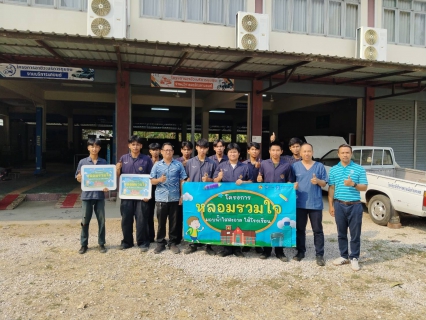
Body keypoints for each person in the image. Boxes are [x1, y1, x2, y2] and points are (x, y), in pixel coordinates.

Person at [328, 144, 368, 271]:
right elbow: (331, 188)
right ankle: (343, 256)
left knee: (355, 233)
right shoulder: (334, 170)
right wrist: (331, 205)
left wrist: (353, 184)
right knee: (341, 232)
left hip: (355, 205)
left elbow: (364, 187)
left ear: (351, 154)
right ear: (338, 154)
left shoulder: (359, 169)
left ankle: (354, 257)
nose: (345, 155)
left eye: (347, 152)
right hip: (339, 204)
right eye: (342, 152)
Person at [257, 142, 295, 262]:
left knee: (280, 224)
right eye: (273, 150)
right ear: (269, 151)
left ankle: (280, 251)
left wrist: (289, 186)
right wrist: (259, 180)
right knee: (267, 223)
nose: (275, 152)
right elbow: (260, 180)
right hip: (267, 200)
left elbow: (290, 181)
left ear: (282, 152)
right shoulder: (264, 164)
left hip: (281, 201)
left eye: (278, 150)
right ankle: (267, 250)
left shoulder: (287, 165)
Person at [292, 143, 328, 266]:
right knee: (300, 229)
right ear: (300, 153)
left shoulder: (319, 166)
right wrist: (293, 186)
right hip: (299, 203)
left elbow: (324, 184)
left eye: (309, 151)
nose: (307, 153)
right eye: (304, 151)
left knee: (317, 230)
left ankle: (319, 254)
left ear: (312, 152)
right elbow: (290, 183)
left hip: (315, 203)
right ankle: (301, 252)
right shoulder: (295, 166)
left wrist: (317, 181)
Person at [214, 143, 251, 257]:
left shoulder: (244, 167)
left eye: (235, 152)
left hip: (240, 200)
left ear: (239, 154)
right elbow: (215, 181)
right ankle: (226, 248)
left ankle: (237, 248)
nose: (232, 154)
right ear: (227, 153)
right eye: (230, 152)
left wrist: (243, 182)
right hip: (225, 200)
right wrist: (219, 177)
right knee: (226, 222)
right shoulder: (221, 166)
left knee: (239, 222)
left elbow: (251, 182)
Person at [116, 135, 153, 252]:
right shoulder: (123, 158)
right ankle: (127, 242)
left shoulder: (146, 159)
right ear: (129, 145)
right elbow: (118, 175)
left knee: (142, 219)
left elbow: (151, 178)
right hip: (127, 195)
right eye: (133, 144)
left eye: (137, 144)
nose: (135, 146)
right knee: (126, 219)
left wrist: (148, 195)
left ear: (141, 146)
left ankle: (142, 242)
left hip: (142, 196)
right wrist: (117, 168)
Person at [150, 143, 187, 254]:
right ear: (162, 152)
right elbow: (151, 180)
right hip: (161, 198)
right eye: (166, 150)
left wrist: (182, 195)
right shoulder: (157, 165)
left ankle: (172, 243)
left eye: (170, 150)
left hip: (175, 198)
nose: (168, 152)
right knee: (161, 222)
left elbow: (182, 180)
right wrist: (159, 180)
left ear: (173, 152)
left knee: (174, 222)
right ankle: (160, 243)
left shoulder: (178, 165)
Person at [183, 138, 217, 255]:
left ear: (207, 149)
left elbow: (216, 183)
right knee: (193, 218)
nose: (202, 150)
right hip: (193, 197)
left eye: (204, 148)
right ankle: (193, 244)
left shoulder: (212, 163)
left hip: (208, 197)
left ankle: (208, 245)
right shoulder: (190, 162)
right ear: (196, 148)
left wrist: (209, 180)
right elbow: (186, 179)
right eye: (200, 147)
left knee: (207, 219)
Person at [75, 139, 108, 254]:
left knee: (102, 220)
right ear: (88, 148)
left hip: (99, 195)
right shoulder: (83, 162)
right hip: (87, 195)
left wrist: (107, 186)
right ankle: (84, 244)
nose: (94, 149)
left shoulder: (103, 162)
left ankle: (101, 243)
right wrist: (79, 178)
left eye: (97, 146)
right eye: (92, 146)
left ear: (99, 148)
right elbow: (78, 177)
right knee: (85, 221)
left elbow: (107, 178)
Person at [242, 142, 263, 254]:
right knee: (247, 219)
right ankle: (248, 243)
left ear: (259, 151)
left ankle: (258, 244)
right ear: (248, 151)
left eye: (256, 149)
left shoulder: (264, 164)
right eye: (252, 149)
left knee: (258, 220)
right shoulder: (243, 164)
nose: (254, 151)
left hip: (261, 196)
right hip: (247, 196)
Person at [175, 141, 194, 244]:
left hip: (192, 193)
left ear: (191, 150)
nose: (186, 152)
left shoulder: (195, 161)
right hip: (178, 191)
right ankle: (177, 238)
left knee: (192, 214)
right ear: (181, 150)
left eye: (188, 149)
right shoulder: (176, 161)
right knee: (178, 216)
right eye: (184, 149)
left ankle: (192, 237)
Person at [147, 142, 161, 243]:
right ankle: (150, 236)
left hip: (161, 189)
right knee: (149, 213)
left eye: (157, 150)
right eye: (153, 150)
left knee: (161, 214)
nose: (155, 152)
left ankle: (161, 236)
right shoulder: (146, 161)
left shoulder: (163, 162)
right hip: (149, 189)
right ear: (150, 151)